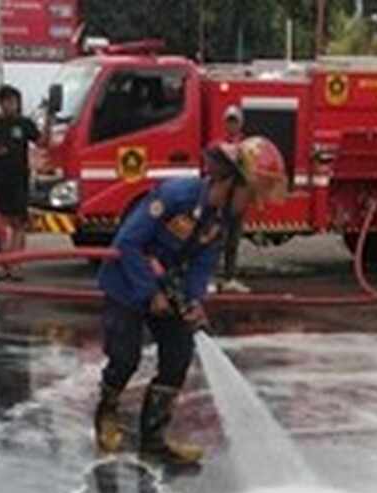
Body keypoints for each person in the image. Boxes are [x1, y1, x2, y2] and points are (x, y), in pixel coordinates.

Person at [94, 136, 288, 465]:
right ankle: (107, 413)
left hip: (169, 288)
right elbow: (127, 243)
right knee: (125, 358)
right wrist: (150, 292)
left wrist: (195, 300)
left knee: (178, 354)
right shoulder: (176, 196)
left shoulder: (219, 218)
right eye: (251, 195)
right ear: (230, 182)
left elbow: (202, 263)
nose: (254, 204)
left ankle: (153, 441)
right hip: (128, 283)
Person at [0, 84, 40, 281]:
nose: (11, 106)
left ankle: (16, 265)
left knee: (19, 224)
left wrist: (50, 120)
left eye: (15, 102)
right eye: (8, 102)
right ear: (1, 102)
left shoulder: (24, 124)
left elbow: (42, 140)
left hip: (19, 179)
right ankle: (4, 264)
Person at [216, 106, 250, 294]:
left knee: (233, 241)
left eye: (234, 121)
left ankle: (230, 278)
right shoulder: (219, 145)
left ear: (240, 123)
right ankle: (210, 278)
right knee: (217, 240)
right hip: (223, 199)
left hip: (239, 199)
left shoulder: (248, 145)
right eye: (229, 121)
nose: (232, 125)